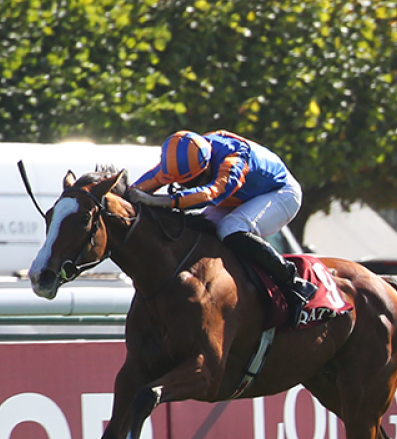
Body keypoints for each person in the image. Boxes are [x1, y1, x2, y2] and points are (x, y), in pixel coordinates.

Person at [131, 129, 316, 320]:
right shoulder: (181, 161)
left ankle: (293, 283)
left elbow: (212, 193)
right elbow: (144, 185)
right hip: (240, 196)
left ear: (207, 164)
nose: (191, 186)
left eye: (195, 181)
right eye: (185, 184)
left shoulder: (232, 158)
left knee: (231, 228)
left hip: (280, 193)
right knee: (199, 229)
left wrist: (162, 201)